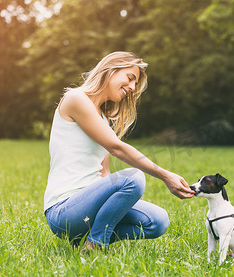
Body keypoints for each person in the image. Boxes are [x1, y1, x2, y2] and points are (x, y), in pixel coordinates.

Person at [44, 51, 195, 253]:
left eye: (135, 84)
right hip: (63, 211)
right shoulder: (76, 98)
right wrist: (165, 175)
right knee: (133, 178)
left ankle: (84, 239)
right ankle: (96, 244)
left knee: (158, 221)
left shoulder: (104, 120)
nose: (132, 88)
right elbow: (117, 148)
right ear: (111, 69)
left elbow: (103, 173)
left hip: (90, 206)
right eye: (130, 78)